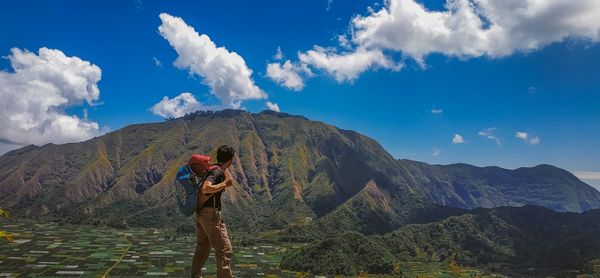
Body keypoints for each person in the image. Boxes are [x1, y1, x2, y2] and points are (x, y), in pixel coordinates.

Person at [191, 145, 235, 278]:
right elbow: (206, 188)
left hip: (201, 214)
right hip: (210, 215)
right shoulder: (217, 172)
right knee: (224, 249)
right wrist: (224, 184)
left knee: (202, 248)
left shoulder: (211, 169)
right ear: (230, 160)